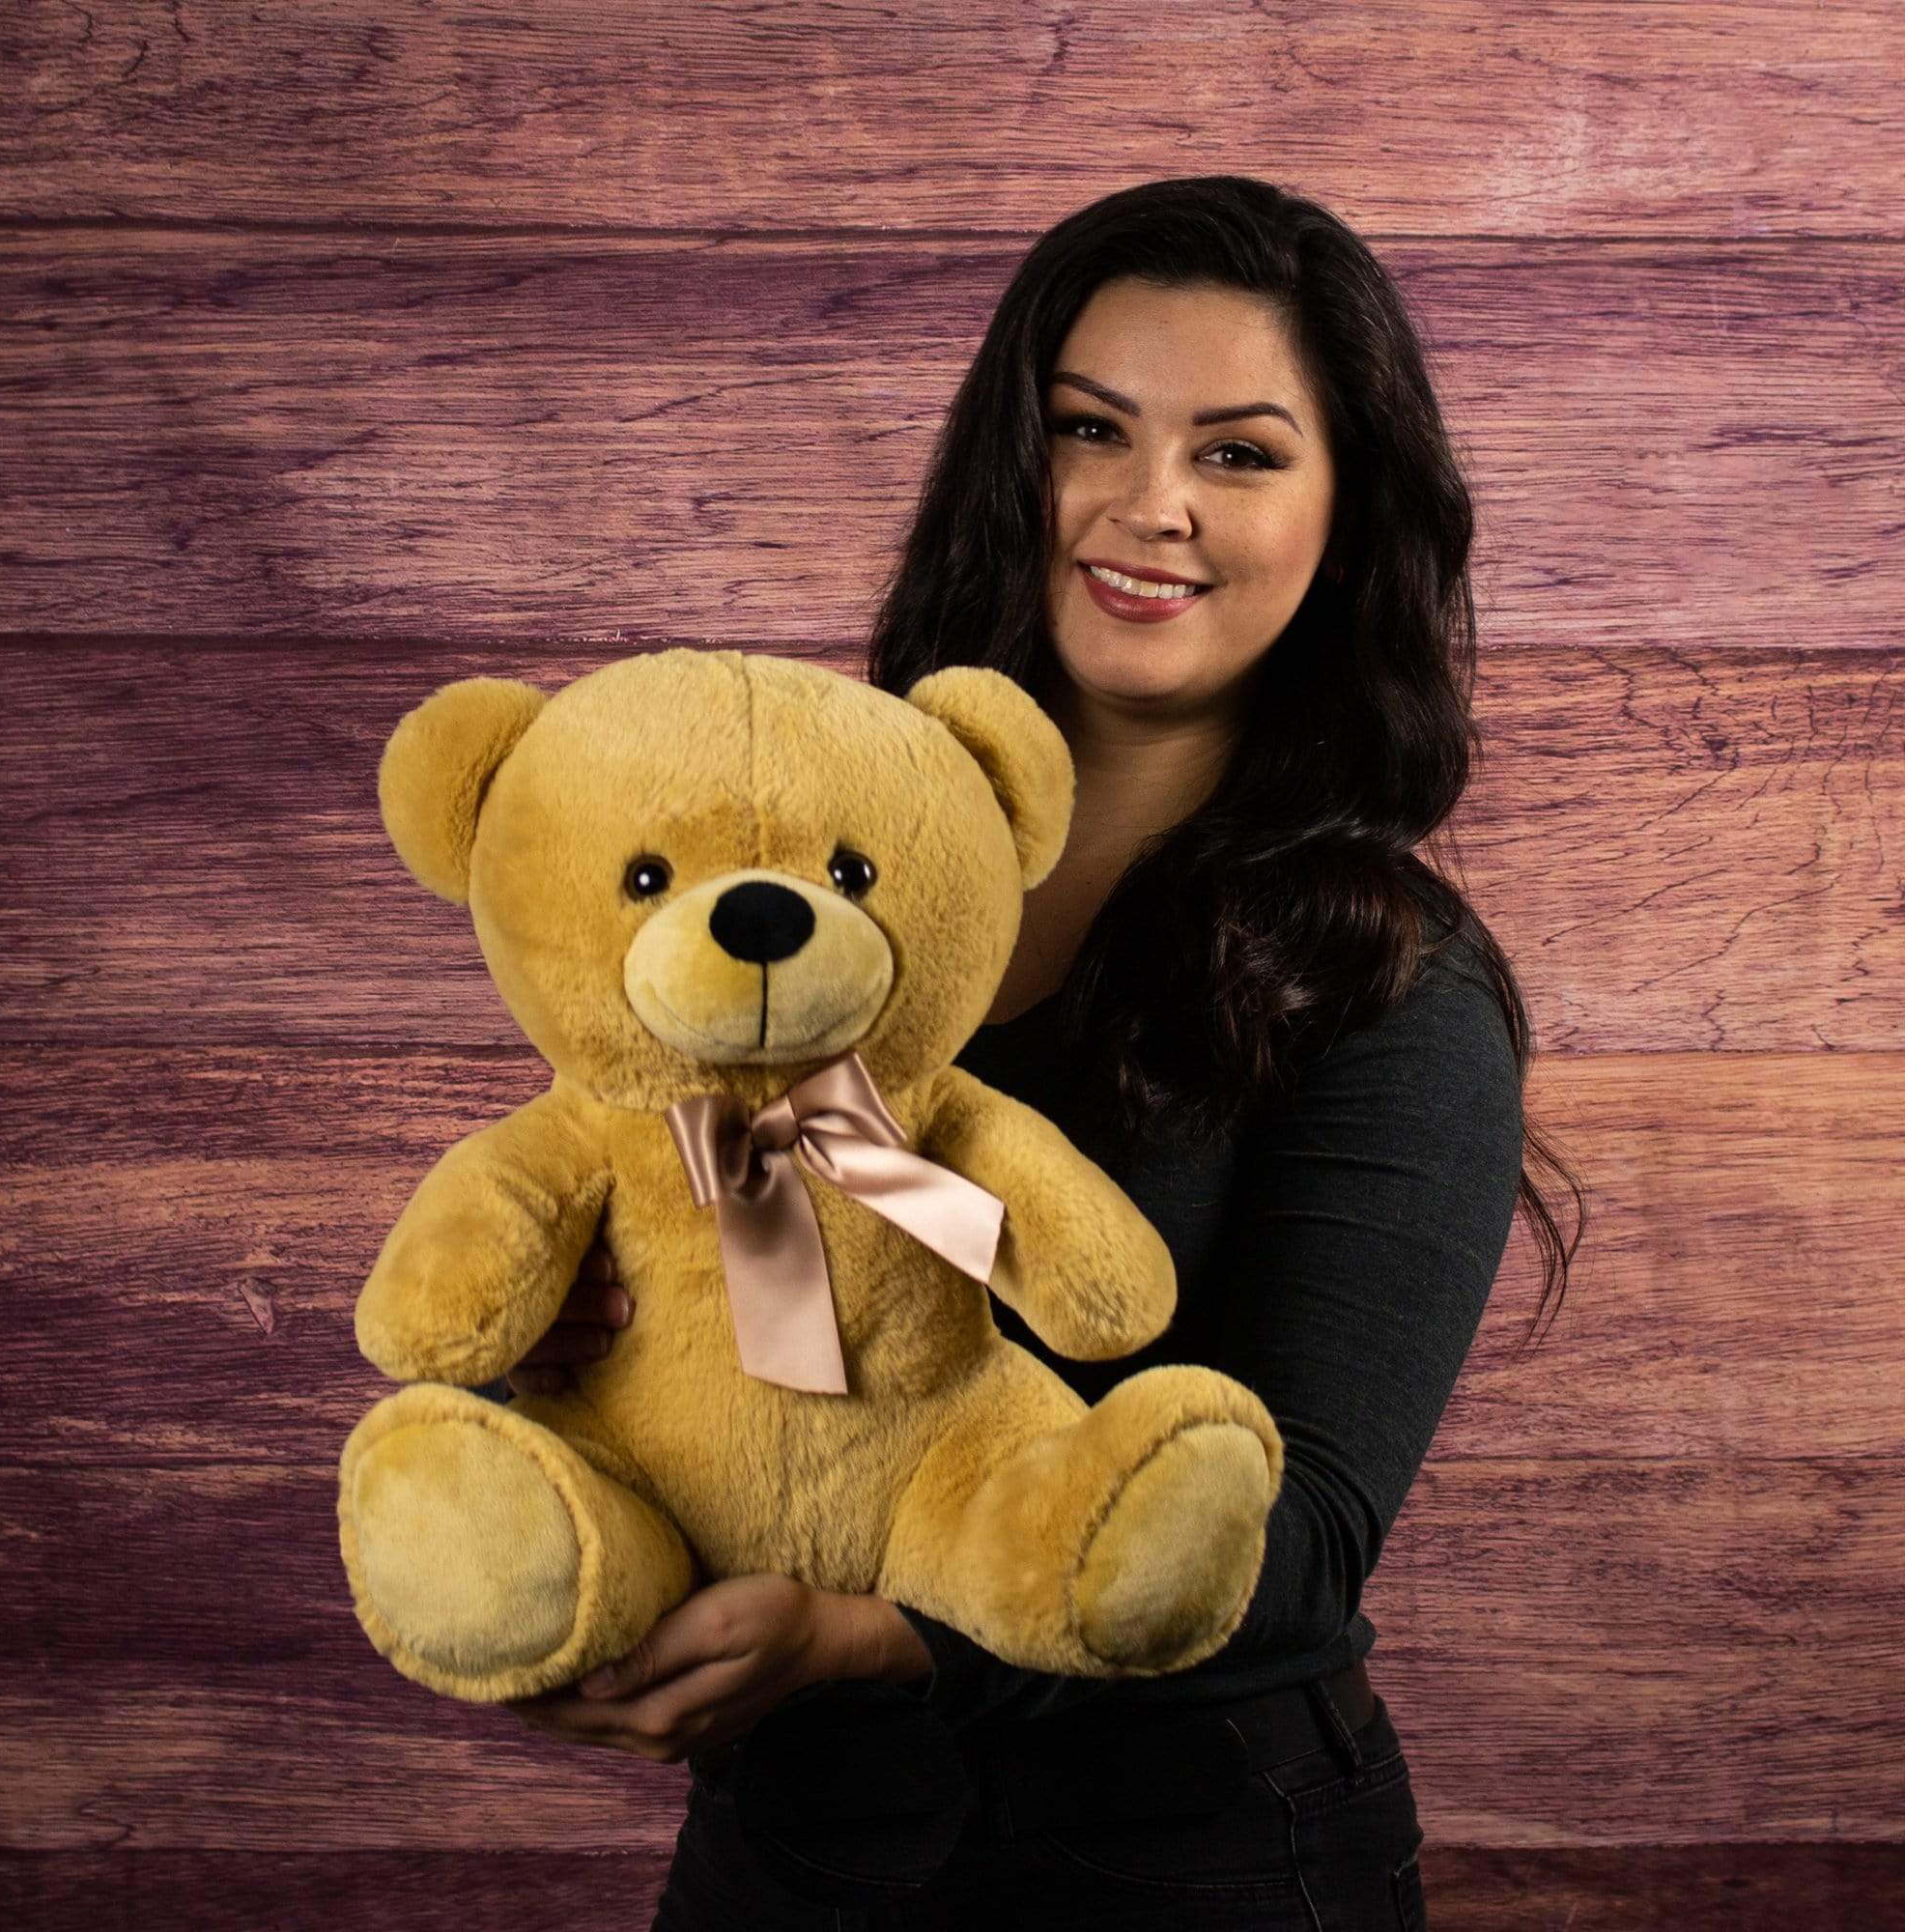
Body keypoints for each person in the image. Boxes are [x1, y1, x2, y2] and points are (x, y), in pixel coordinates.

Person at [480, 175, 1585, 1928]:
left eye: (1240, 453)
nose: (1152, 510)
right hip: (799, 1854)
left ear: (1347, 513)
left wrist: (871, 1633)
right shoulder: (810, 896)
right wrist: (581, 1390)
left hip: (1190, 1862)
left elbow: (1291, 1545)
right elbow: (750, 1324)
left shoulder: (1389, 980)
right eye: (1092, 429)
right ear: (1013, 457)